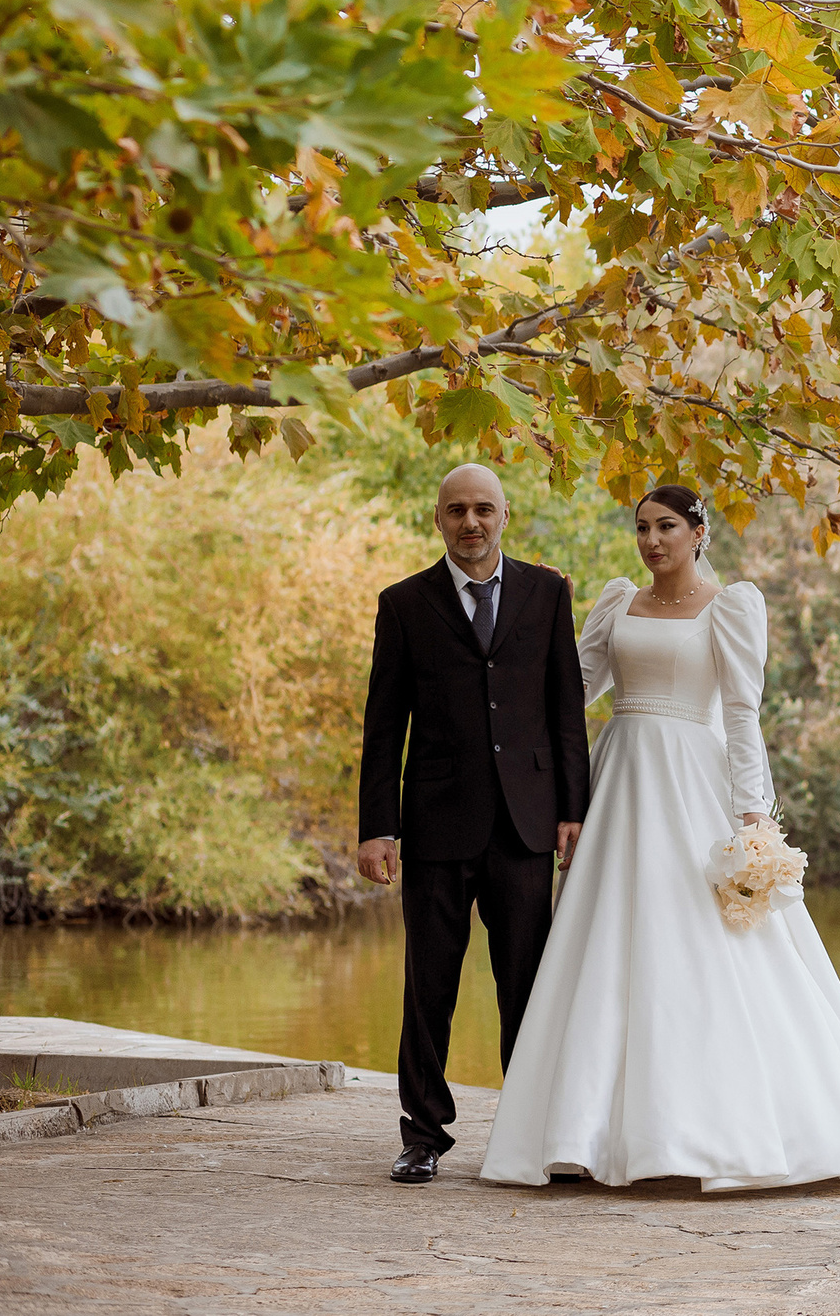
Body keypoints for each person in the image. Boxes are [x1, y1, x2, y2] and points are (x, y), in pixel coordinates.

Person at [479, 484, 840, 1190]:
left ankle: (719, 1130)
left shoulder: (732, 606)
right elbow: (568, 692)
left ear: (699, 531)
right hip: (618, 778)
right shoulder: (616, 601)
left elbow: (741, 715)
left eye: (668, 526)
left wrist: (753, 814)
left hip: (690, 784)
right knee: (609, 945)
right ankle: (590, 1133)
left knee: (701, 943)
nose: (653, 540)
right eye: (644, 526)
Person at [357, 463, 590, 1186]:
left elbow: (565, 707)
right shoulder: (403, 603)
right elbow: (383, 720)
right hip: (435, 824)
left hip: (524, 824)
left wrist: (572, 810)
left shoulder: (548, 593)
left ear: (505, 515)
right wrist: (377, 826)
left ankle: (529, 1134)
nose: (471, 521)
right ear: (438, 519)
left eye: (483, 508)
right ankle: (423, 1133)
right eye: (456, 509)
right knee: (429, 987)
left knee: (528, 986)